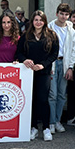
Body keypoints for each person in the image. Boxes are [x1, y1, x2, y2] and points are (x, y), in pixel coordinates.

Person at [16, 11, 59, 141]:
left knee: (43, 100)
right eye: (36, 20)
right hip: (28, 73)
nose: (38, 22)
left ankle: (46, 128)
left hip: (44, 72)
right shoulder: (26, 36)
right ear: (32, 22)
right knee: (32, 100)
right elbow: (19, 52)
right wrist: (25, 60)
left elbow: (54, 54)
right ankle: (33, 127)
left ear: (45, 21)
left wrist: (43, 65)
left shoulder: (51, 35)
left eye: (41, 20)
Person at [48, 3, 75, 134]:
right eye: (61, 14)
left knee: (61, 94)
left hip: (65, 64)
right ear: (57, 14)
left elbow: (73, 50)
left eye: (66, 14)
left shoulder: (71, 31)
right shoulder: (49, 27)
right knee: (52, 94)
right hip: (53, 63)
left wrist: (70, 67)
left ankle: (58, 120)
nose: (63, 16)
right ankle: (51, 122)